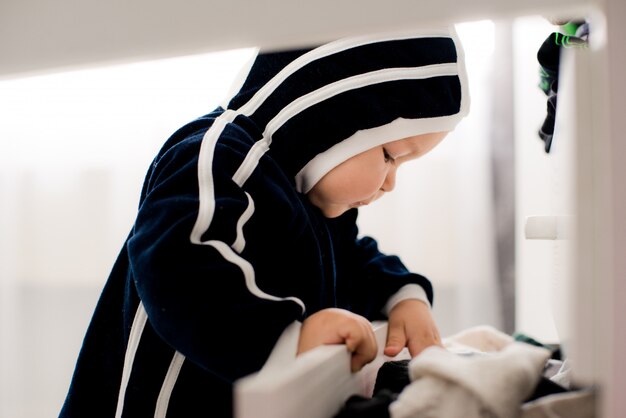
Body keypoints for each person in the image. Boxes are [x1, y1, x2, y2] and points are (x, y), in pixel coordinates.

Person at [59, 25, 469, 418]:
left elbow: (354, 259)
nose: (391, 183)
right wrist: (285, 339)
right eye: (389, 156)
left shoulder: (316, 199)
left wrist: (404, 298)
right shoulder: (219, 155)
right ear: (337, 113)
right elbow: (178, 265)